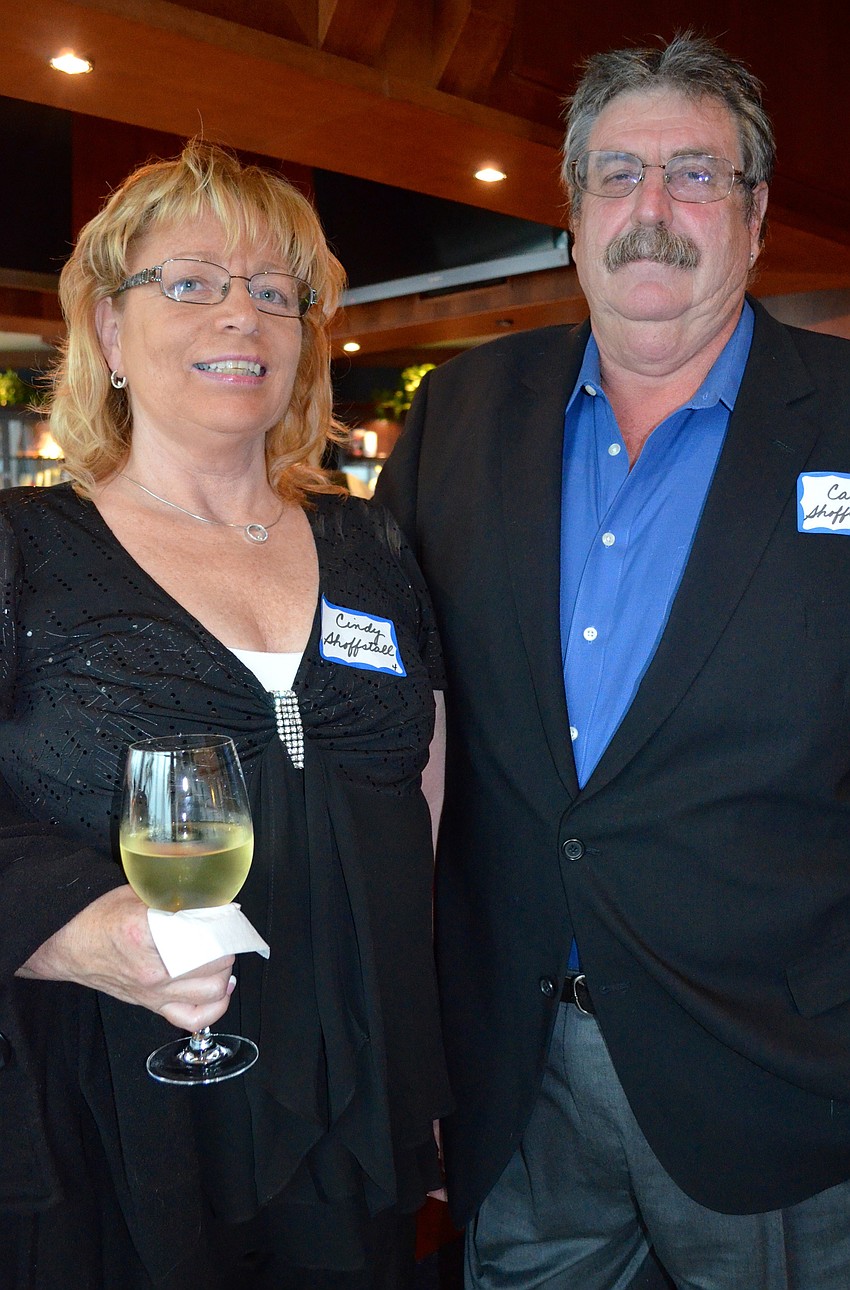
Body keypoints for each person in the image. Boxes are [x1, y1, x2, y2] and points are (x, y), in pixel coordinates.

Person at [376, 30, 850, 1290]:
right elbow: (404, 729)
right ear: (574, 215)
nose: (653, 209)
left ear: (752, 216)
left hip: (781, 1080)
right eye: (618, 175)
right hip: (514, 1067)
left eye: (695, 174)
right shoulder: (459, 412)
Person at [0, 140, 451, 1290]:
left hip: (357, 1122)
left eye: (273, 292)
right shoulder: (22, 550)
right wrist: (70, 929)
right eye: (190, 281)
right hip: (116, 1124)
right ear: (106, 329)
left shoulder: (370, 544)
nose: (239, 316)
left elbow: (426, 797)